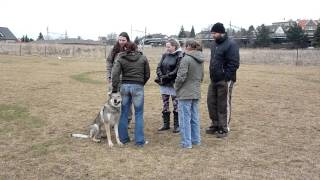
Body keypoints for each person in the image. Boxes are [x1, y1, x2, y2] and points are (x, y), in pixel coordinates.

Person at [111, 42, 150, 147]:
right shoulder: (143, 58)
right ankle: (139, 141)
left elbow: (115, 74)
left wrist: (115, 88)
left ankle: (123, 139)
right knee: (138, 114)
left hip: (124, 87)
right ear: (136, 48)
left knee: (123, 113)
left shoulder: (121, 58)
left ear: (125, 48)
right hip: (138, 87)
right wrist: (141, 83)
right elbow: (147, 74)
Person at [206, 22, 240, 138]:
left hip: (225, 79)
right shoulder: (214, 44)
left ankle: (223, 127)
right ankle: (215, 124)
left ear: (221, 32)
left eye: (214, 33)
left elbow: (234, 63)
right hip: (213, 79)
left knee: (223, 103)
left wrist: (226, 77)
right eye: (212, 33)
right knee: (211, 102)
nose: (213, 35)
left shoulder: (231, 45)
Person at [175, 40, 204, 149]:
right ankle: (196, 140)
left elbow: (181, 76)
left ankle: (186, 143)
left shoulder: (186, 59)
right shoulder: (200, 59)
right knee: (194, 117)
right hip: (196, 91)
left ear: (188, 47)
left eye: (184, 46)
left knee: (184, 118)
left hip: (185, 92)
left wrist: (176, 87)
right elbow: (201, 76)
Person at [155, 39, 183, 133]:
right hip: (163, 83)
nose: (167, 48)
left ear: (174, 46)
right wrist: (160, 76)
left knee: (176, 104)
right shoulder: (164, 55)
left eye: (169, 46)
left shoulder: (180, 56)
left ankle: (177, 125)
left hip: (173, 83)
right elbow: (159, 67)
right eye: (166, 46)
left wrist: (167, 76)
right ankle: (166, 124)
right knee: (165, 104)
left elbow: (177, 69)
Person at [106, 32, 133, 125]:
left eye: (123, 40)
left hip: (126, 80)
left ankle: (127, 120)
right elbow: (109, 62)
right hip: (114, 79)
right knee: (112, 99)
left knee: (126, 101)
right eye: (120, 40)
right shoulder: (114, 49)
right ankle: (114, 120)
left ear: (127, 40)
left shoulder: (131, 49)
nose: (121, 42)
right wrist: (109, 76)